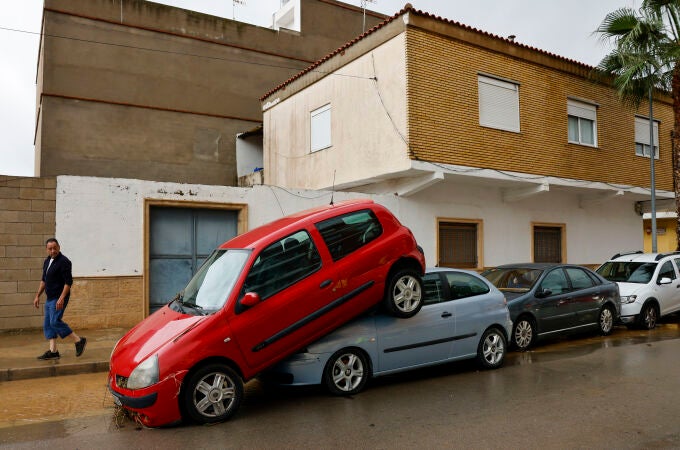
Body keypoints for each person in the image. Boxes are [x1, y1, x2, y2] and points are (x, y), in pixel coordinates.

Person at [33, 238, 86, 360]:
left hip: (59, 297)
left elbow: (68, 282)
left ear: (59, 247)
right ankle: (53, 351)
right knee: (48, 324)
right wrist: (37, 296)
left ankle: (78, 340)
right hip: (50, 297)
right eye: (50, 249)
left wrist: (61, 298)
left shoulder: (64, 262)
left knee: (54, 321)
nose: (53, 251)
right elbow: (44, 280)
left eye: (54, 248)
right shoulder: (47, 261)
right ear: (47, 250)